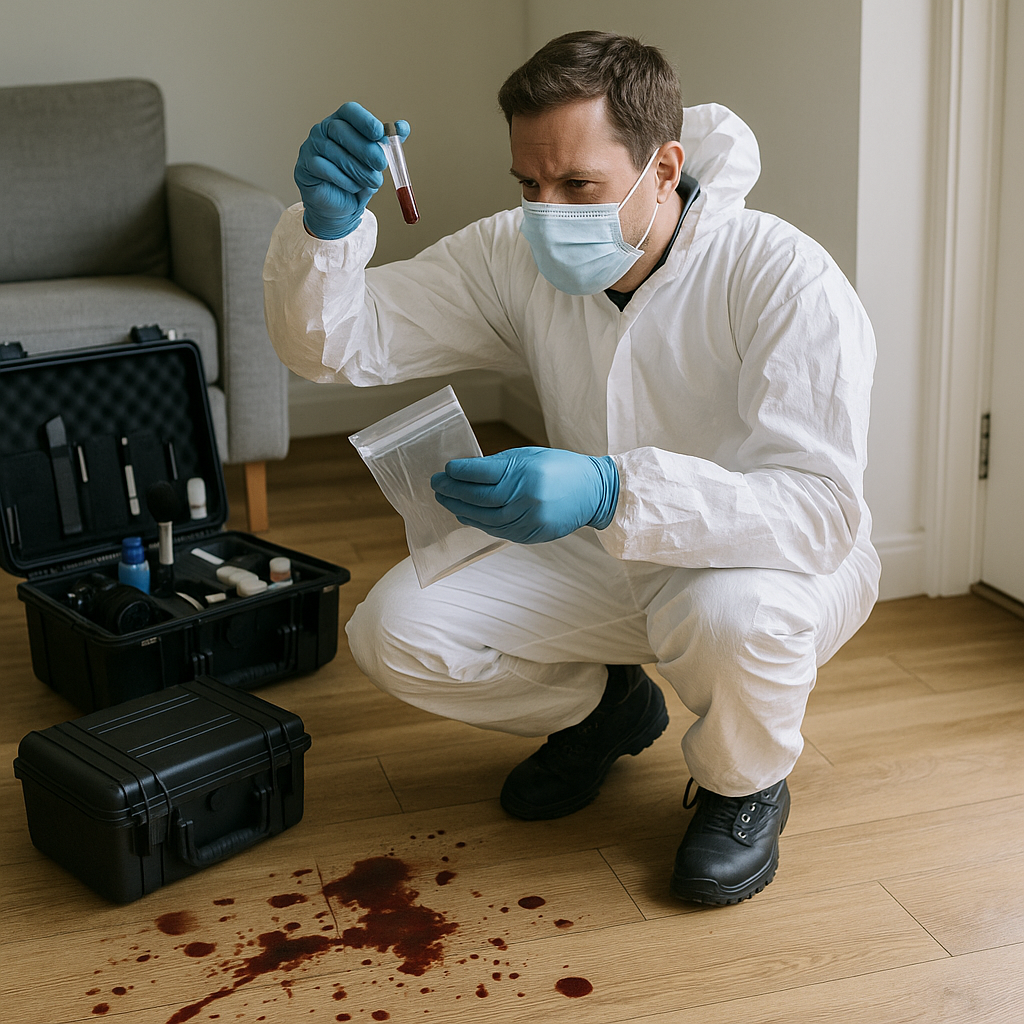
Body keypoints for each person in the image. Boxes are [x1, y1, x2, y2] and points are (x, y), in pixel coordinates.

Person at [263, 30, 880, 906]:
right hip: (600, 548)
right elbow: (342, 344)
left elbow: (820, 511)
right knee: (396, 631)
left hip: (763, 563)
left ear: (663, 168)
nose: (547, 212)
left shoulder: (782, 275)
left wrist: (611, 488)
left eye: (578, 185)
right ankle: (608, 711)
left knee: (731, 615)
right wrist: (328, 231)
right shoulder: (517, 252)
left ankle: (743, 785)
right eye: (528, 184)